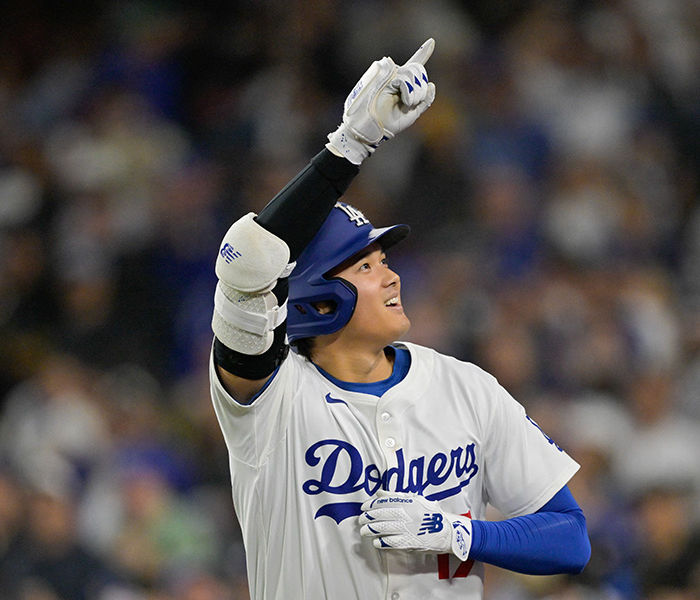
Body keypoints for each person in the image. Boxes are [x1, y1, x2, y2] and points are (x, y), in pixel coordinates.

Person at [208, 38, 591, 600]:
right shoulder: (267, 400)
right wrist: (351, 145)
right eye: (365, 265)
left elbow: (570, 539)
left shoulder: (465, 388)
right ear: (316, 295)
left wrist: (456, 532)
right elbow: (247, 258)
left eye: (385, 261)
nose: (391, 277)